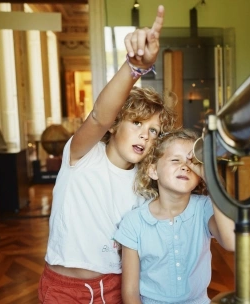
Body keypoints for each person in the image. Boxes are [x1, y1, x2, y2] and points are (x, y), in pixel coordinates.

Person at [38, 5, 177, 304]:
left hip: (118, 288)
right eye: (137, 123)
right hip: (64, 290)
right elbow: (100, 116)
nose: (145, 134)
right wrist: (134, 67)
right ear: (115, 125)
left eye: (153, 131)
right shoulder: (82, 155)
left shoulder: (145, 185)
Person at [115, 129, 236, 304]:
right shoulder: (133, 223)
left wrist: (211, 177)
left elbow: (231, 241)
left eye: (192, 162)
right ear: (153, 171)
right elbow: (130, 292)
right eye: (175, 160)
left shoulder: (204, 208)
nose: (185, 166)